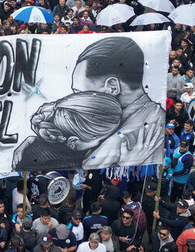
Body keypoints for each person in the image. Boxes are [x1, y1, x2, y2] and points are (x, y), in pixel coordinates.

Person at [69, 37, 165, 168]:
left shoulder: (124, 139)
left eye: (79, 93)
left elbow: (87, 169)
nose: (73, 101)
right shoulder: (121, 119)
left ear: (112, 86)